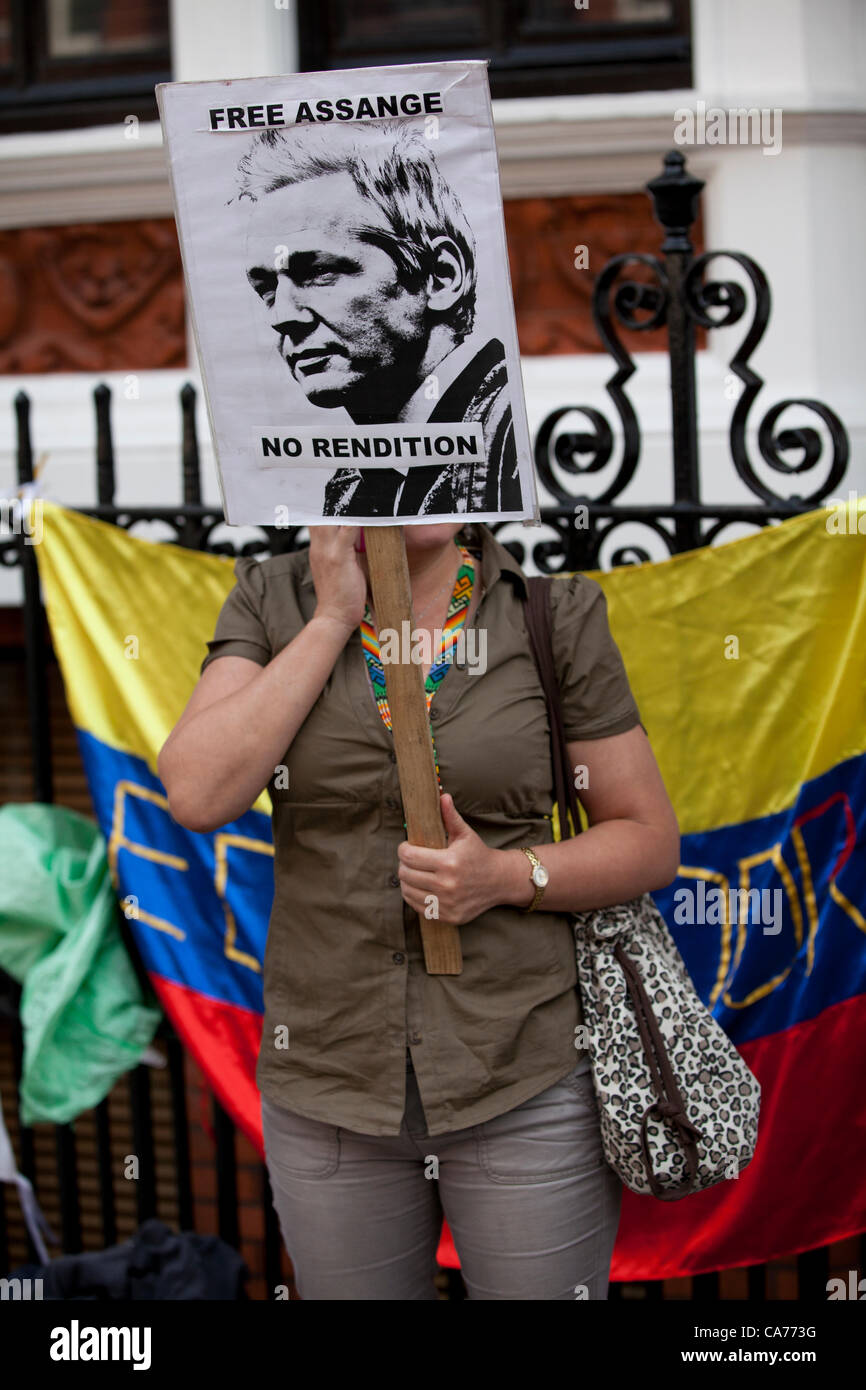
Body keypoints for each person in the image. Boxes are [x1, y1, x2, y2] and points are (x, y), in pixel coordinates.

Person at [158, 521, 680, 1300]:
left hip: (520, 1072)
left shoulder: (550, 613)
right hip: (331, 1082)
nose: (408, 464)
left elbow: (646, 840)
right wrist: (333, 615)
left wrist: (504, 876)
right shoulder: (272, 596)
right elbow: (198, 792)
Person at [235, 122, 523, 516]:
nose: (282, 316)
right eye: (267, 289)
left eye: (320, 273)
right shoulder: (357, 475)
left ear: (440, 277)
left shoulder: (514, 431)